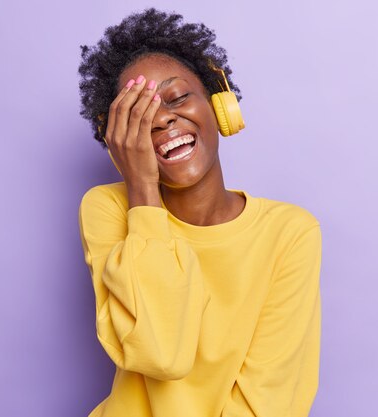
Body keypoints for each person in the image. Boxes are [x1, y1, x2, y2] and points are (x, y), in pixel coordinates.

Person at [78, 8, 322, 417]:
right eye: (138, 118)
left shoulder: (290, 233)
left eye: (176, 98)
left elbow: (268, 404)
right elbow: (162, 354)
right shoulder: (108, 208)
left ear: (218, 103)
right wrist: (140, 188)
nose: (162, 119)